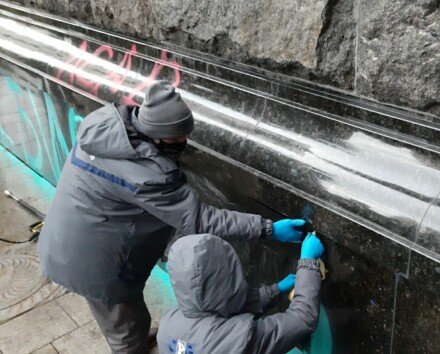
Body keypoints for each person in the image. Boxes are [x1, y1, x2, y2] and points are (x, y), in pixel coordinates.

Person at [37, 81, 307, 353]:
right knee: (122, 327)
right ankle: (133, 345)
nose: (183, 142)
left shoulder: (106, 126)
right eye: (176, 138)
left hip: (71, 239)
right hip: (94, 265)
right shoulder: (148, 176)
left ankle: (139, 337)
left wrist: (276, 289)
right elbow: (200, 218)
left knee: (131, 313)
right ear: (156, 136)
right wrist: (268, 229)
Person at [157, 232, 324, 354]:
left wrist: (276, 289)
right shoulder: (237, 340)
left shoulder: (168, 322)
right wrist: (307, 262)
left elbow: (223, 310)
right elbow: (302, 319)